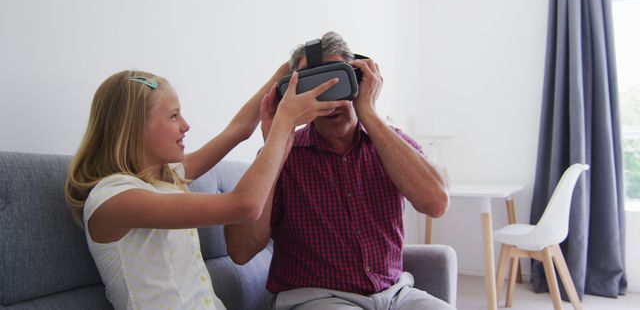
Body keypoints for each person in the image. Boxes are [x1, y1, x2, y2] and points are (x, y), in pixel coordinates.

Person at [64, 67, 349, 310]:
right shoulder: (114, 198)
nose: (186, 125)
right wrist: (284, 125)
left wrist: (287, 71)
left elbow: (238, 129)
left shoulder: (167, 178)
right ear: (135, 126)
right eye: (174, 116)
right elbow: (246, 206)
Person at [224, 31, 454, 310]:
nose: (327, 98)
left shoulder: (390, 144)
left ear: (358, 81)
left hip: (395, 294)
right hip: (316, 296)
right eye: (313, 87)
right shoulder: (284, 154)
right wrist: (275, 141)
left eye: (337, 82)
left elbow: (436, 203)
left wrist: (368, 112)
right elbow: (240, 250)